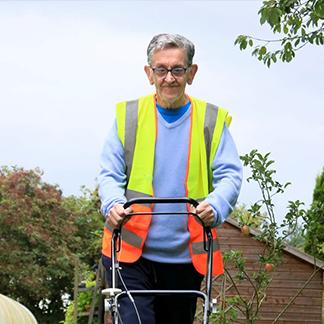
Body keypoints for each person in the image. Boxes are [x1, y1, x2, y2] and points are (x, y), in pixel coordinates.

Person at [98, 33, 242, 324]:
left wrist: (216, 204)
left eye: (177, 69)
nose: (169, 78)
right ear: (149, 73)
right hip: (129, 252)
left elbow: (230, 175)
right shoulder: (129, 116)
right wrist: (112, 203)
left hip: (185, 257)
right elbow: (109, 173)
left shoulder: (210, 120)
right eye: (161, 70)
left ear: (192, 72)